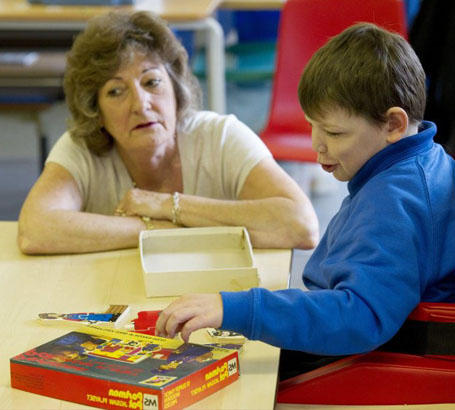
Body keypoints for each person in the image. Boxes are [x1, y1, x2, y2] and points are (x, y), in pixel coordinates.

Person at [155, 23, 455, 377]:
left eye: (334, 132)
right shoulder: (421, 163)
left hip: (390, 363)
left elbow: (360, 316)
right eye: (313, 125)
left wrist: (238, 309)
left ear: (392, 124)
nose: (317, 144)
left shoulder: (393, 200)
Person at [16, 11, 318, 255]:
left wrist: (166, 205)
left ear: (177, 89)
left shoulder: (221, 136)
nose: (140, 104)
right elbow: (35, 230)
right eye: (116, 91)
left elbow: (301, 224)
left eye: (151, 82)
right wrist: (159, 230)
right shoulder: (81, 146)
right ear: (96, 113)